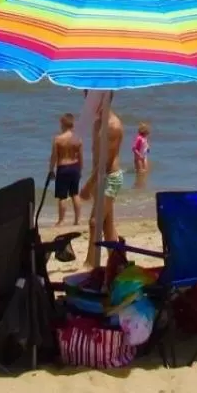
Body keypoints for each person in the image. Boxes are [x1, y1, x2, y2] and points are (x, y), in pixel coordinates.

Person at [80, 97, 124, 266]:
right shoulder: (98, 123)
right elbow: (96, 156)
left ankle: (91, 264)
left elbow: (106, 160)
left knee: (94, 222)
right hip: (99, 176)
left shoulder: (113, 126)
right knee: (107, 225)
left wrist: (88, 185)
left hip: (110, 178)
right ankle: (117, 261)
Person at [48, 112, 83, 228]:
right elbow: (80, 157)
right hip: (75, 167)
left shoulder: (58, 139)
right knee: (75, 194)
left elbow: (54, 156)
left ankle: (61, 221)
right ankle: (77, 220)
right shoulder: (78, 139)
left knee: (62, 196)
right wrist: (80, 169)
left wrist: (51, 170)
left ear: (63, 124)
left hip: (63, 168)